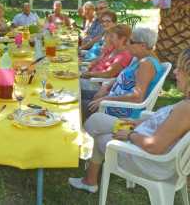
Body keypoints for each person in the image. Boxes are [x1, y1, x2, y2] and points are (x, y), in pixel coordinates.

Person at [69, 48, 190, 193]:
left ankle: (88, 176)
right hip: (143, 135)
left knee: (101, 136)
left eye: (181, 69)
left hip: (150, 161)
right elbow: (164, 125)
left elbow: (155, 146)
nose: (175, 72)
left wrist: (129, 135)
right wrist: (136, 123)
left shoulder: (185, 109)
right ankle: (87, 170)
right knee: (97, 120)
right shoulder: (185, 103)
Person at [81, 27, 165, 119]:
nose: (127, 44)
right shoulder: (139, 59)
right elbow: (120, 79)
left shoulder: (146, 65)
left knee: (76, 106)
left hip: (120, 110)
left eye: (131, 41)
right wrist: (105, 87)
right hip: (111, 99)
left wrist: (105, 99)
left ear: (143, 46)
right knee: (77, 94)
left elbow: (137, 97)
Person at [80, 25, 133, 102]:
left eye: (112, 36)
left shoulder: (124, 56)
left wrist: (89, 74)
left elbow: (108, 74)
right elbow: (98, 61)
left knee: (72, 83)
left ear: (122, 39)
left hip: (98, 83)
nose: (109, 39)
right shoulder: (113, 48)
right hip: (91, 76)